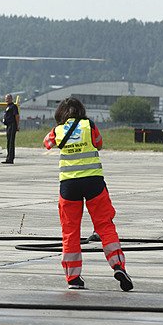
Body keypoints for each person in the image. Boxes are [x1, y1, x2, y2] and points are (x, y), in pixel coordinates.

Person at [43, 96, 133, 292]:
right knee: (105, 226)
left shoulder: (58, 130)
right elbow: (99, 144)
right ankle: (118, 266)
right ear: (81, 111)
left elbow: (47, 143)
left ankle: (73, 278)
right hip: (94, 183)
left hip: (69, 186)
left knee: (70, 232)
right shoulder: (89, 126)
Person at [1, 93, 19, 164]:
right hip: (8, 125)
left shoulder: (13, 106)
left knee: (11, 142)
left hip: (12, 125)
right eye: (6, 98)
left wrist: (17, 126)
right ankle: (8, 157)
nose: (7, 100)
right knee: (8, 142)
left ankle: (10, 158)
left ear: (11, 99)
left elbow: (17, 116)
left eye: (8, 98)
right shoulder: (8, 106)